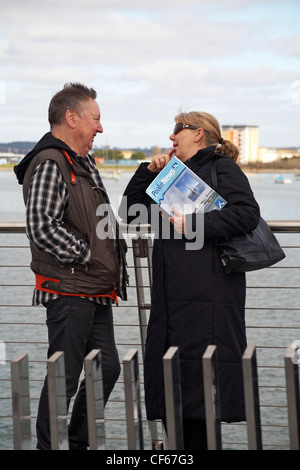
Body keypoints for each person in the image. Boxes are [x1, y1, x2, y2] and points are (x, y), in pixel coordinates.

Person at [119, 111, 260, 450]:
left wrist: (196, 223)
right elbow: (129, 211)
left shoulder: (222, 168)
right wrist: (147, 171)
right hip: (171, 299)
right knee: (172, 395)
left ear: (198, 134)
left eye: (177, 131)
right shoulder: (171, 175)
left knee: (201, 399)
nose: (171, 138)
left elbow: (247, 213)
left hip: (207, 297)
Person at [14, 83, 128, 450]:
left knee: (106, 367)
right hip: (69, 288)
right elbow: (43, 226)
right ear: (71, 117)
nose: (100, 128)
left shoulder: (83, 161)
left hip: (94, 290)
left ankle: (80, 443)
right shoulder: (51, 161)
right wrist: (88, 255)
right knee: (63, 376)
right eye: (95, 119)